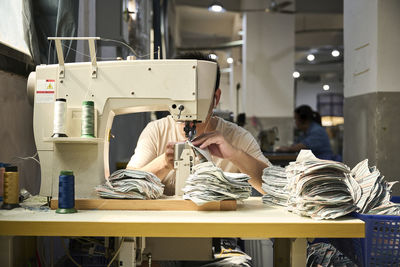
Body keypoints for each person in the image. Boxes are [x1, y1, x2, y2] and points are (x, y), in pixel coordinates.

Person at [127, 52, 270, 195]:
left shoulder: (237, 138)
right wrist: (163, 163)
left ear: (216, 98)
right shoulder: (156, 132)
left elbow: (273, 188)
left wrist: (235, 155)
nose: (188, 122)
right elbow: (127, 186)